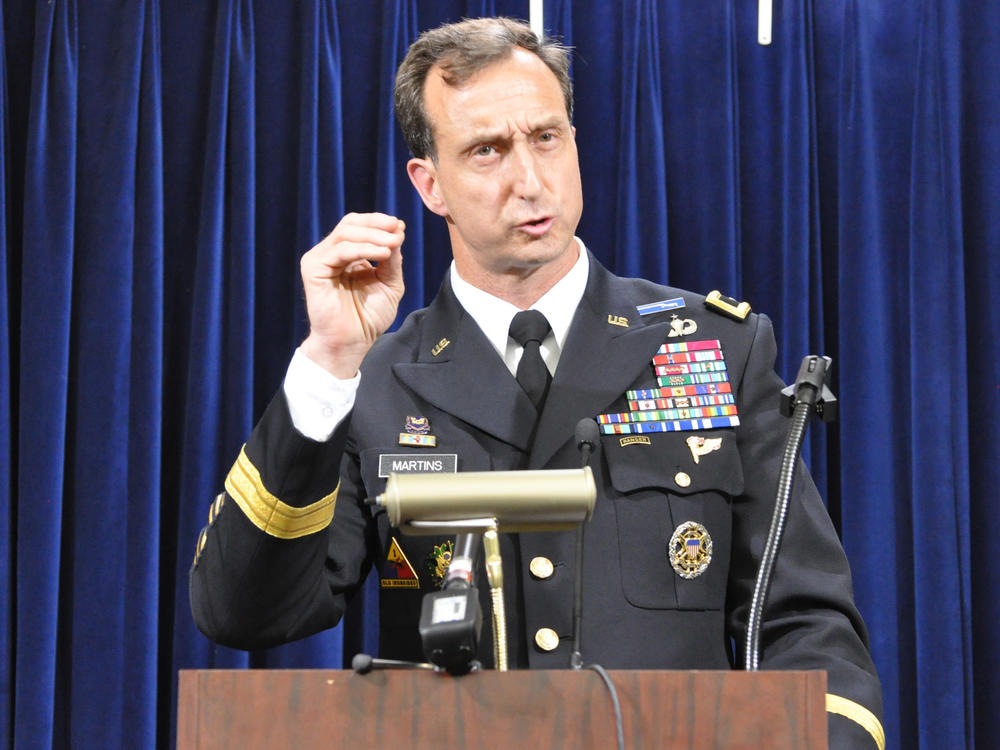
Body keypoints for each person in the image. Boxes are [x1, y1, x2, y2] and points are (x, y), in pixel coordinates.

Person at [190, 17, 883, 749]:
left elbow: (805, 623)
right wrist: (329, 362)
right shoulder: (381, 382)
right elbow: (246, 613)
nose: (529, 179)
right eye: (487, 150)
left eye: (546, 137)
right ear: (430, 185)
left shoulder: (717, 349)